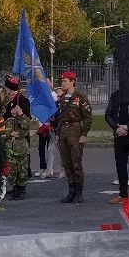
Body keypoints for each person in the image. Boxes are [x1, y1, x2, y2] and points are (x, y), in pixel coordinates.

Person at [53, 70, 93, 203]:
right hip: (64, 131)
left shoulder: (80, 97)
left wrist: (84, 134)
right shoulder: (63, 98)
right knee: (66, 162)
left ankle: (79, 192)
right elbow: (61, 117)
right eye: (62, 81)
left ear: (72, 81)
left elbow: (88, 117)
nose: (63, 83)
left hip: (75, 130)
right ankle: (71, 191)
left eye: (65, 81)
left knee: (76, 162)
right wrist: (58, 134)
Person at [0, 75, 34, 199]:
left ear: (10, 88)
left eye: (7, 88)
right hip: (10, 140)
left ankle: (21, 190)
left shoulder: (22, 100)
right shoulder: (8, 101)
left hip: (20, 139)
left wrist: (19, 114)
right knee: (12, 167)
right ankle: (15, 188)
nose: (5, 90)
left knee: (22, 167)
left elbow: (27, 121)